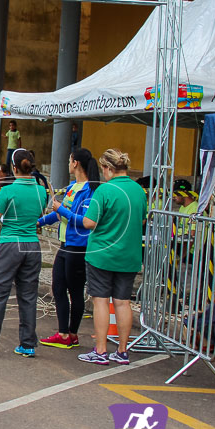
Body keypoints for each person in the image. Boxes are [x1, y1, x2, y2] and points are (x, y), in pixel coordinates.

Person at [0, 149, 49, 358]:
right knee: (29, 296)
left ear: (13, 168)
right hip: (32, 245)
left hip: (11, 243)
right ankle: (28, 343)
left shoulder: (8, 191)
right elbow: (39, 214)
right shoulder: (41, 191)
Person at [78, 149, 147, 366]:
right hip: (129, 254)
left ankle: (100, 350)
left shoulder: (104, 190)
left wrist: (71, 214)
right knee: (122, 302)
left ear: (107, 168)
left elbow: (89, 222)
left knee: (101, 301)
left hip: (102, 253)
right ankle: (122, 350)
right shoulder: (138, 190)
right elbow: (142, 220)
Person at [37, 148, 101, 349]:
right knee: (59, 287)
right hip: (66, 245)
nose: (67, 164)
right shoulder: (73, 187)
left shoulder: (91, 190)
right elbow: (59, 215)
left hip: (78, 247)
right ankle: (66, 333)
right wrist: (39, 222)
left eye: (69, 160)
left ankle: (68, 333)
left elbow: (83, 221)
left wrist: (60, 209)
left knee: (73, 290)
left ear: (76, 163)